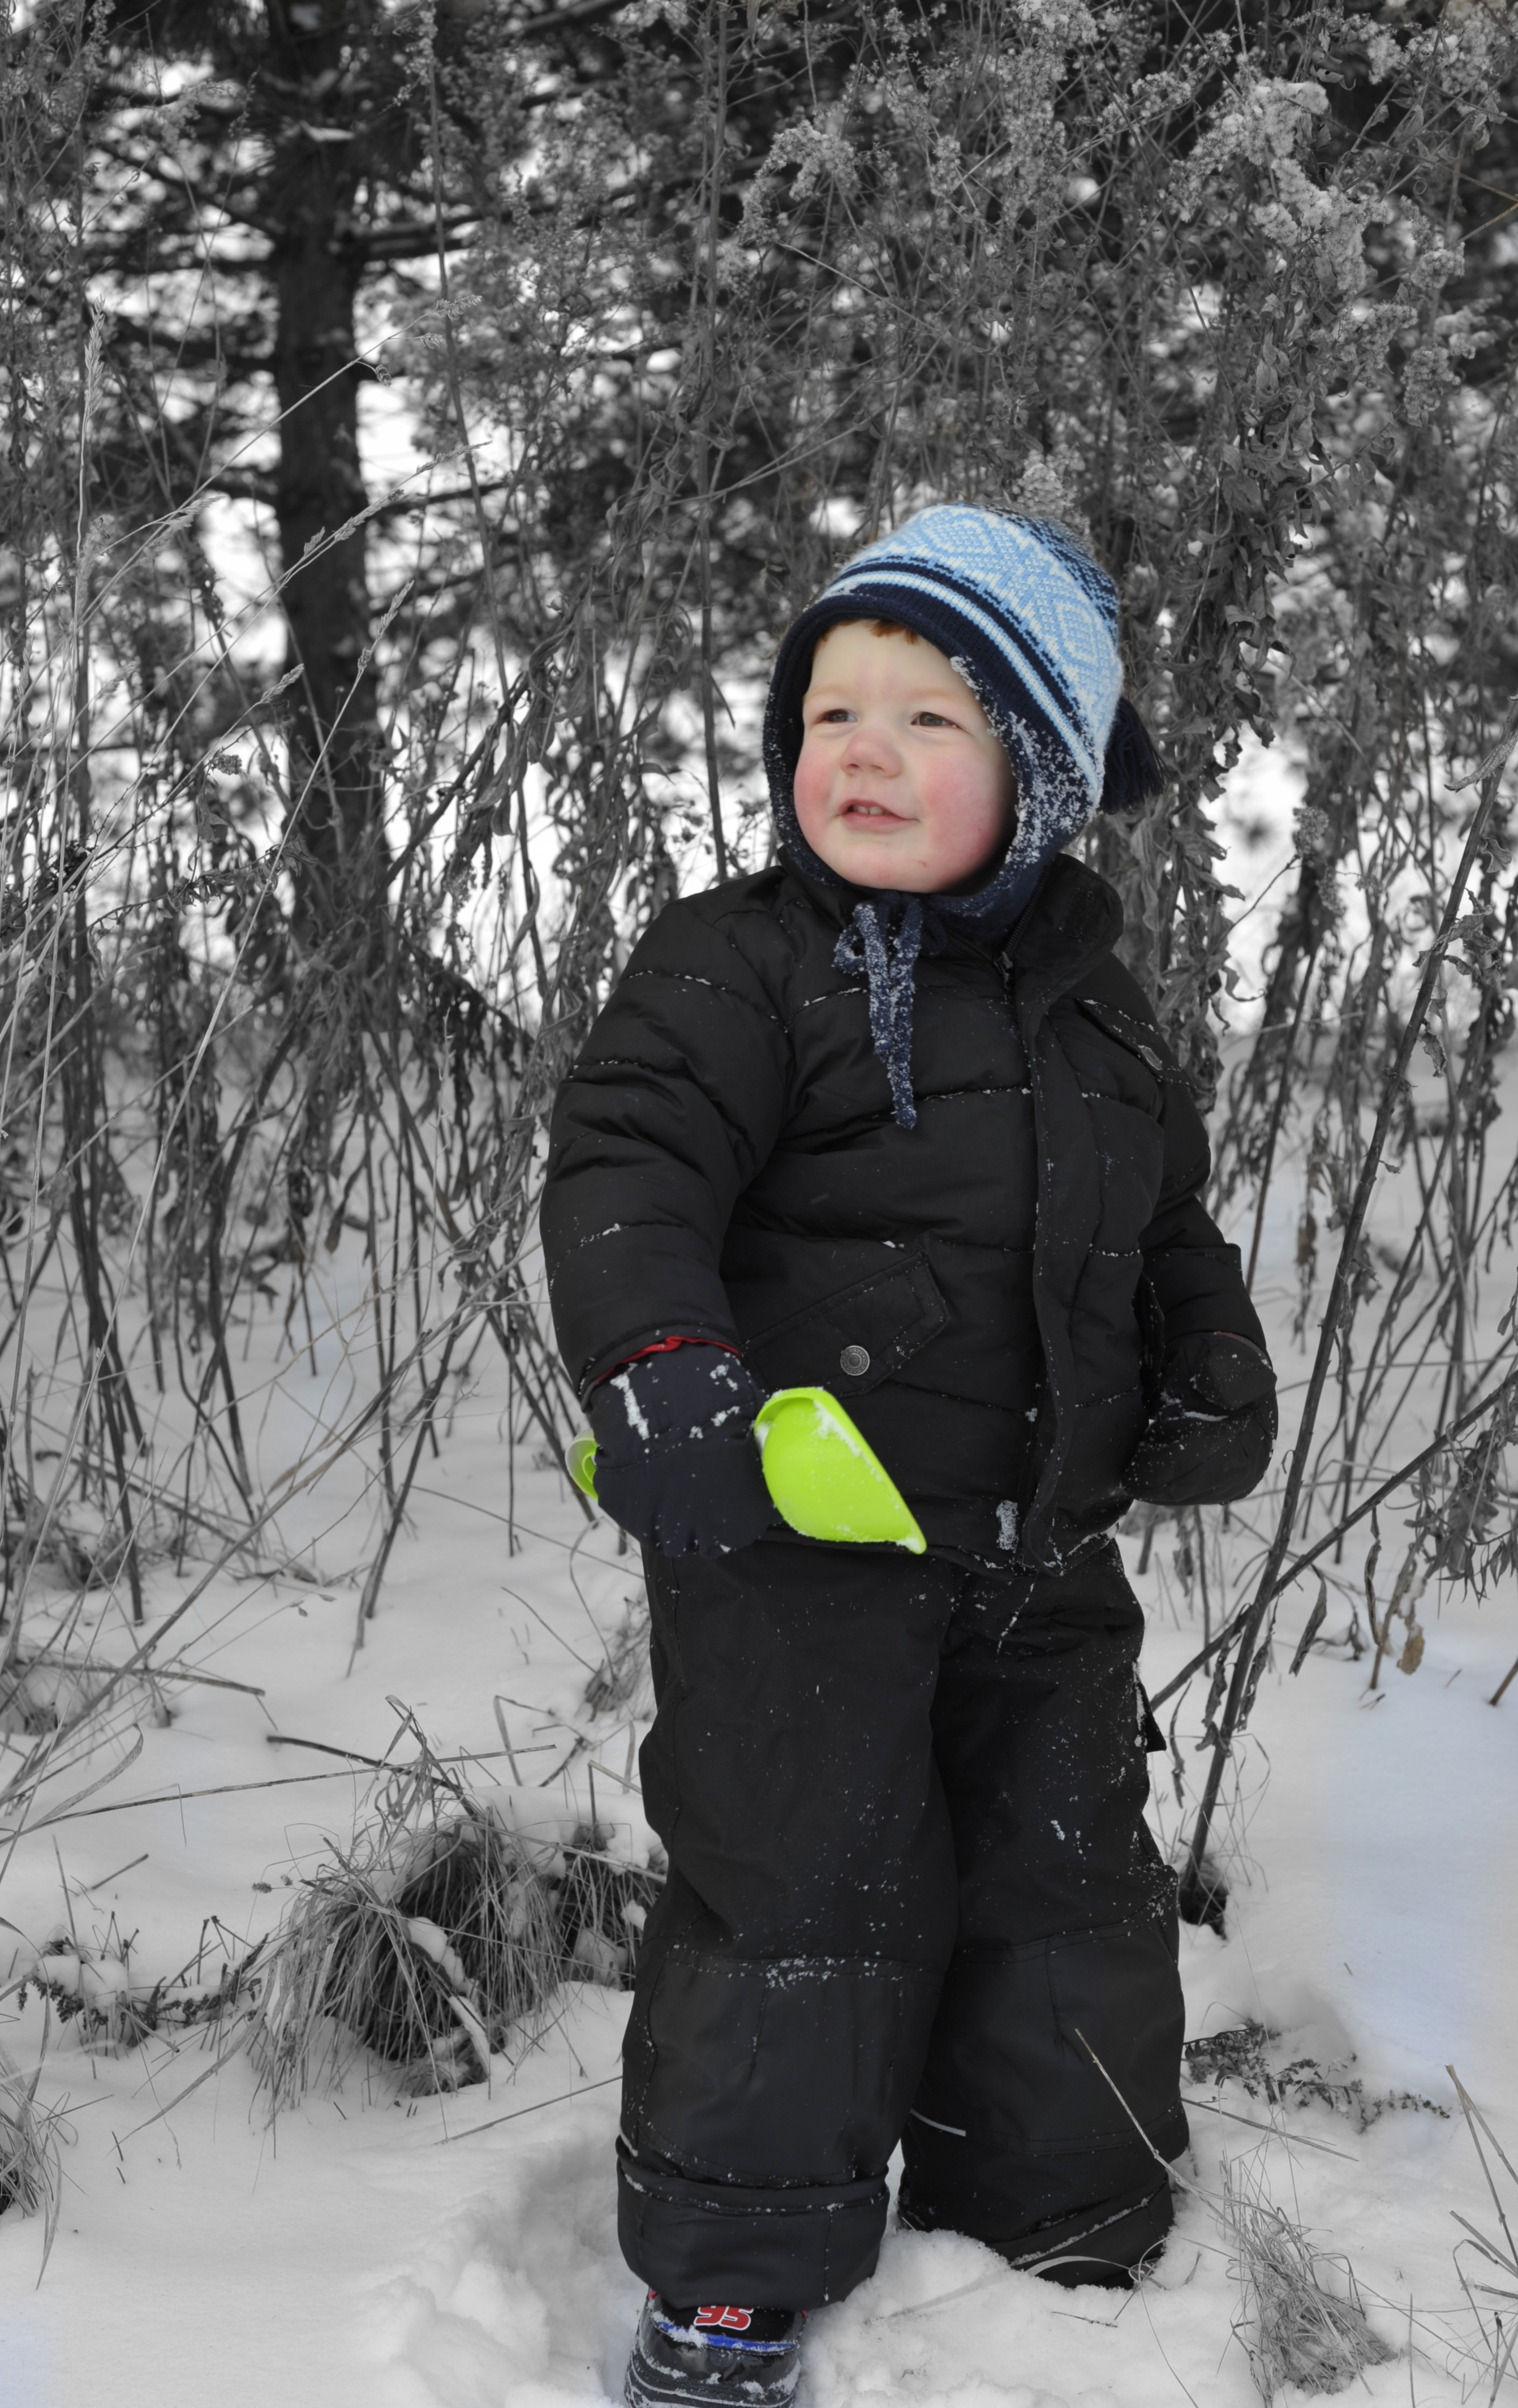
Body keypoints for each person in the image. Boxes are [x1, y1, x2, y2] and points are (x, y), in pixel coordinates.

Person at [540, 506, 1276, 2407]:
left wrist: (1206, 1352)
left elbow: (1162, 1222)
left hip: (1040, 1554)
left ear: (1039, 777)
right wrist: (662, 1361)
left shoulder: (1105, 1014)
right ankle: (731, 2283)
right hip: (794, 1541)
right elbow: (628, 1170)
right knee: (802, 1894)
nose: (859, 751)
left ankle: (1065, 2224)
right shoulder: (739, 965)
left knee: (1066, 1887)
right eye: (830, 712)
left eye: (928, 718)